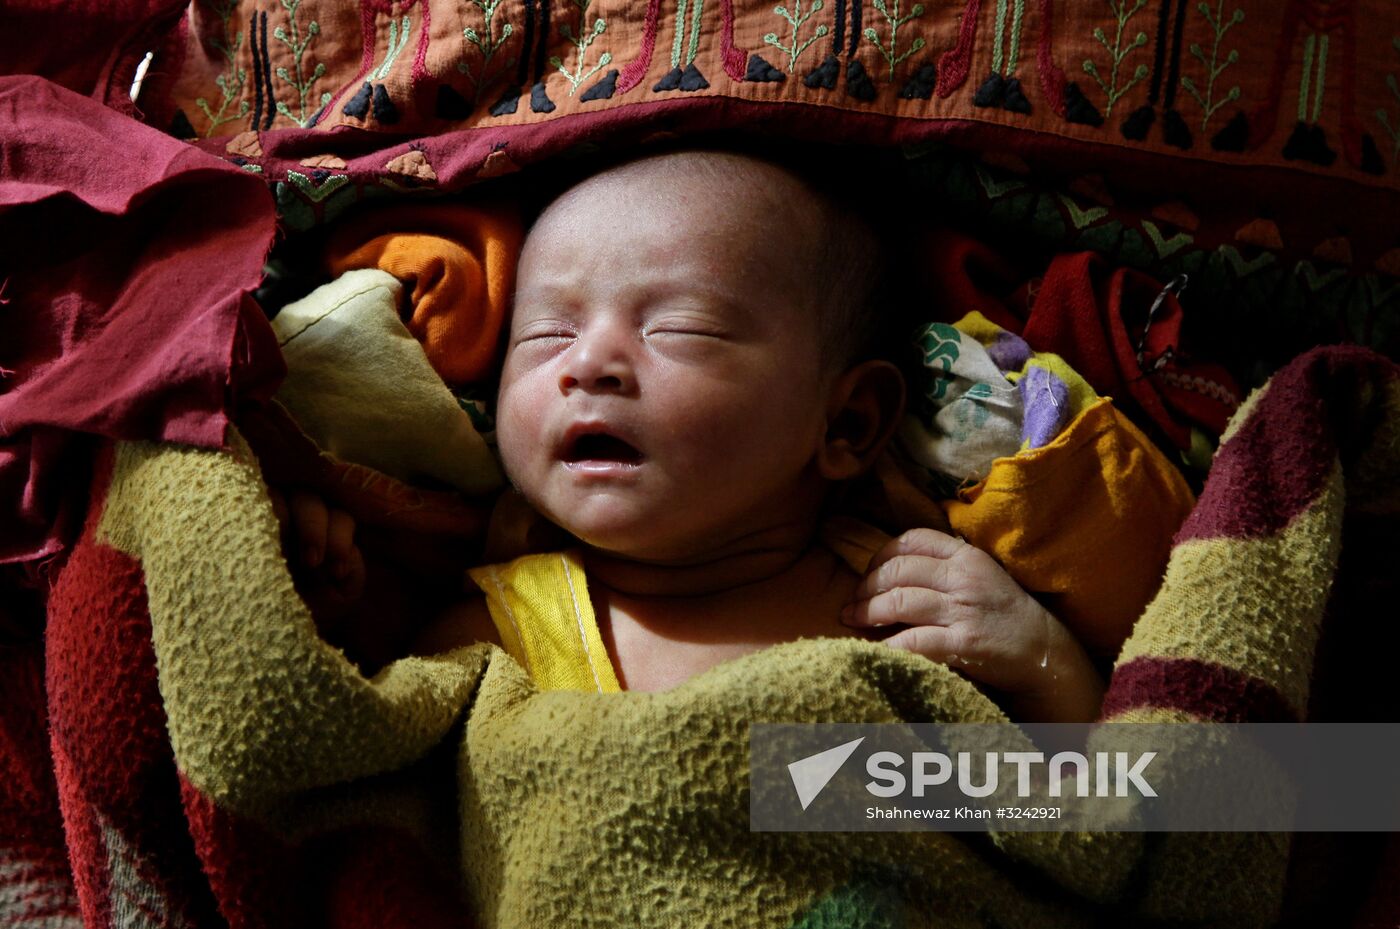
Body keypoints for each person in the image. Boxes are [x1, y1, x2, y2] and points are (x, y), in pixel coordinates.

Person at [280, 145, 1106, 723]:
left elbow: (1093, 817)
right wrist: (324, 616)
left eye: (681, 328)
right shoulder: (491, 632)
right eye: (545, 336)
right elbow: (363, 774)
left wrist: (1047, 664)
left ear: (848, 422)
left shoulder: (914, 603)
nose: (589, 364)